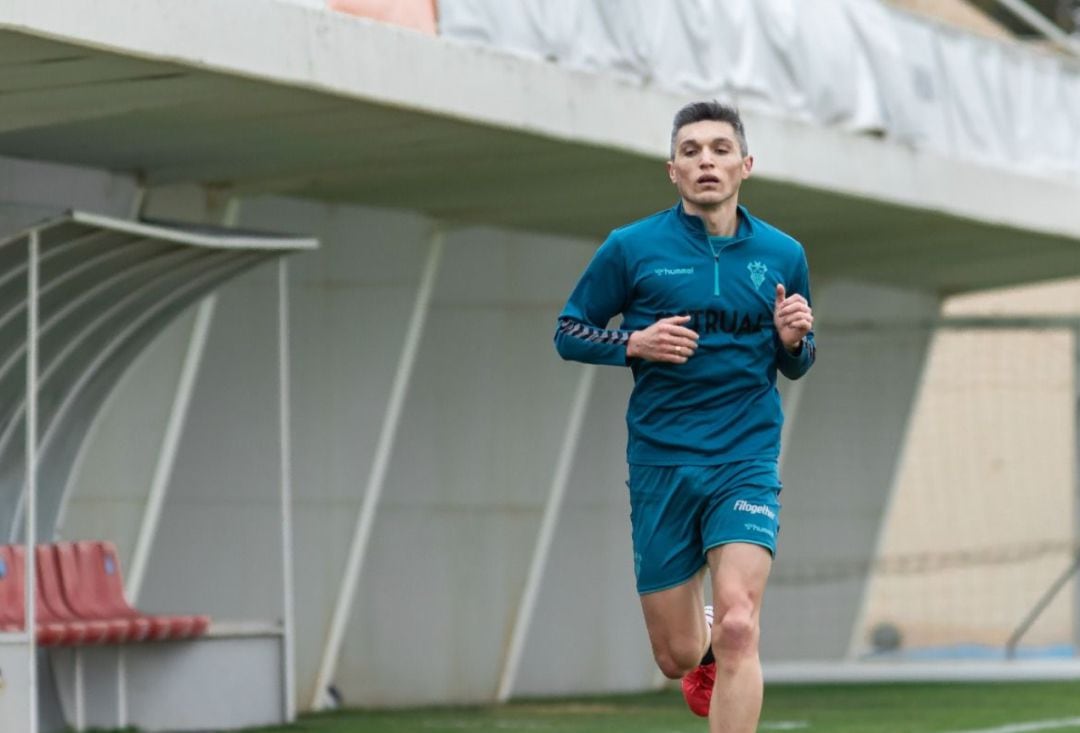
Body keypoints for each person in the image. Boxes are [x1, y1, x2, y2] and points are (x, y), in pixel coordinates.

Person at [553, 100, 815, 733]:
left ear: (745, 165)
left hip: (744, 459)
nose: (706, 161)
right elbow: (568, 331)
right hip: (661, 460)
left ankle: (720, 637)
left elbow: (800, 362)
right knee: (675, 658)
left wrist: (791, 340)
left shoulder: (783, 253)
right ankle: (698, 642)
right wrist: (632, 344)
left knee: (739, 623)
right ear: (672, 170)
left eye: (720, 150)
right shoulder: (631, 247)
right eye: (692, 151)